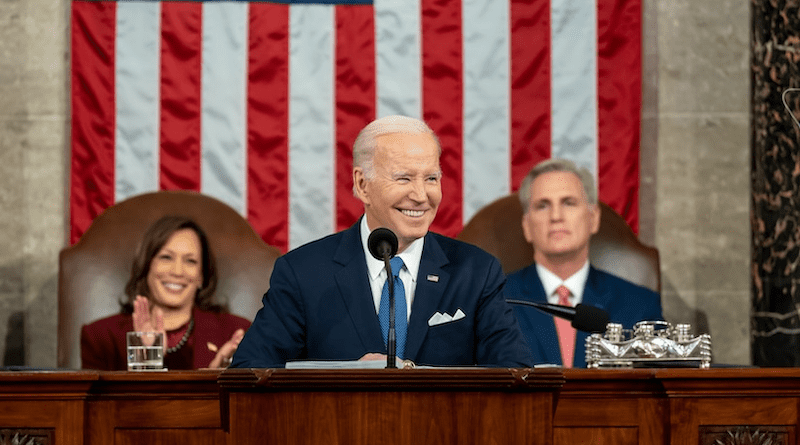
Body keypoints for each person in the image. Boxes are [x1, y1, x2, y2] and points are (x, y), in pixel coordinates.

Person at [232, 115, 532, 368]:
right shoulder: (303, 273)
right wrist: (344, 380)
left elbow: (515, 375)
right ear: (363, 185)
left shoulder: (476, 272)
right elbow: (250, 374)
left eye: (431, 178)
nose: (420, 195)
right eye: (404, 178)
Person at [505, 159, 663, 368]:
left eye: (568, 203)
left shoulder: (640, 306)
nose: (556, 216)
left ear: (593, 218)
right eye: (543, 205)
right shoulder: (495, 301)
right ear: (526, 225)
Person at [81, 216, 251, 370]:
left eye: (190, 261)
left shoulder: (238, 332)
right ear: (147, 266)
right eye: (166, 257)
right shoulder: (100, 337)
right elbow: (97, 405)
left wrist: (219, 382)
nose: (177, 271)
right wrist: (146, 362)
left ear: (201, 276)